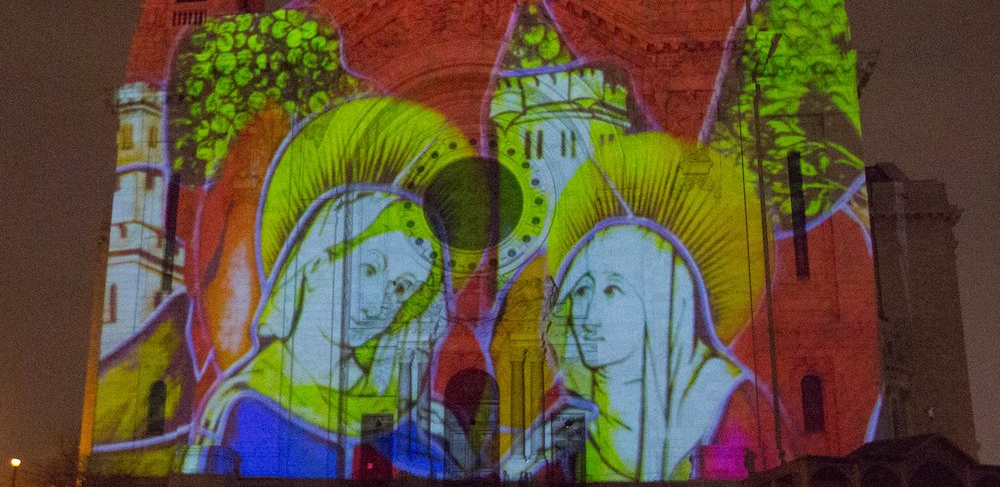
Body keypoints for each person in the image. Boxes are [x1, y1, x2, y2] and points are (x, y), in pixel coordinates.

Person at [190, 97, 473, 478]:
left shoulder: (394, 418)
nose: (379, 304)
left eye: (402, 289)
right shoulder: (248, 406)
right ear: (318, 260)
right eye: (370, 269)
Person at [504, 132, 769, 481]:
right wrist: (519, 464)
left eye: (613, 290)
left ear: (664, 301)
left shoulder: (725, 408)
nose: (587, 314)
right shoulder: (568, 417)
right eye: (581, 292)